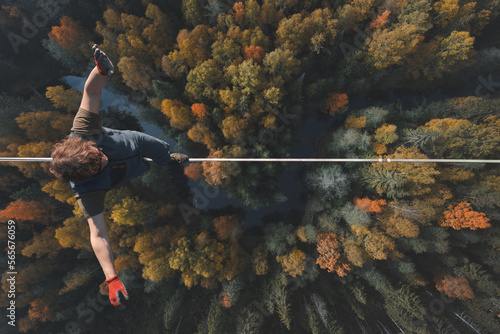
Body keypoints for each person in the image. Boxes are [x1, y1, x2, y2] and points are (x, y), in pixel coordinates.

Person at [49, 45, 188, 307]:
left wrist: (101, 70)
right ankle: (156, 163)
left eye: (98, 153)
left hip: (133, 142)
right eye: (99, 164)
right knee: (143, 167)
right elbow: (98, 235)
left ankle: (166, 160)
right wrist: (111, 277)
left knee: (160, 151)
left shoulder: (82, 131)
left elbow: (90, 91)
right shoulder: (85, 190)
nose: (104, 158)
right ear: (86, 175)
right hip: (128, 171)